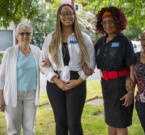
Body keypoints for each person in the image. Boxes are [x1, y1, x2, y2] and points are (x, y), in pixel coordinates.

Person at [40, 4, 95, 135]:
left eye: (70, 13)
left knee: (74, 123)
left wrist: (79, 80)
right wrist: (56, 80)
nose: (67, 16)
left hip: (76, 81)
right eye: (63, 14)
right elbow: (42, 63)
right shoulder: (50, 38)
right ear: (59, 17)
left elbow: (91, 64)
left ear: (74, 16)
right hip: (55, 82)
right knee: (60, 123)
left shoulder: (83, 37)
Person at [95, 6, 136, 135]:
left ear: (117, 22)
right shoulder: (101, 42)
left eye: (111, 21)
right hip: (106, 85)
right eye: (104, 22)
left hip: (121, 85)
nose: (107, 25)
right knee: (110, 121)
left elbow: (132, 67)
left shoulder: (124, 41)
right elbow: (88, 57)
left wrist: (130, 92)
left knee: (120, 123)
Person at [0, 20, 41, 135]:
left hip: (31, 95)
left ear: (31, 36)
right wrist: (1, 98)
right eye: (22, 33)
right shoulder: (10, 52)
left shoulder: (37, 51)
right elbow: (1, 77)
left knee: (29, 128)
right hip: (13, 94)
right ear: (17, 36)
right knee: (13, 128)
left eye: (27, 33)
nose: (25, 36)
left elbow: (44, 67)